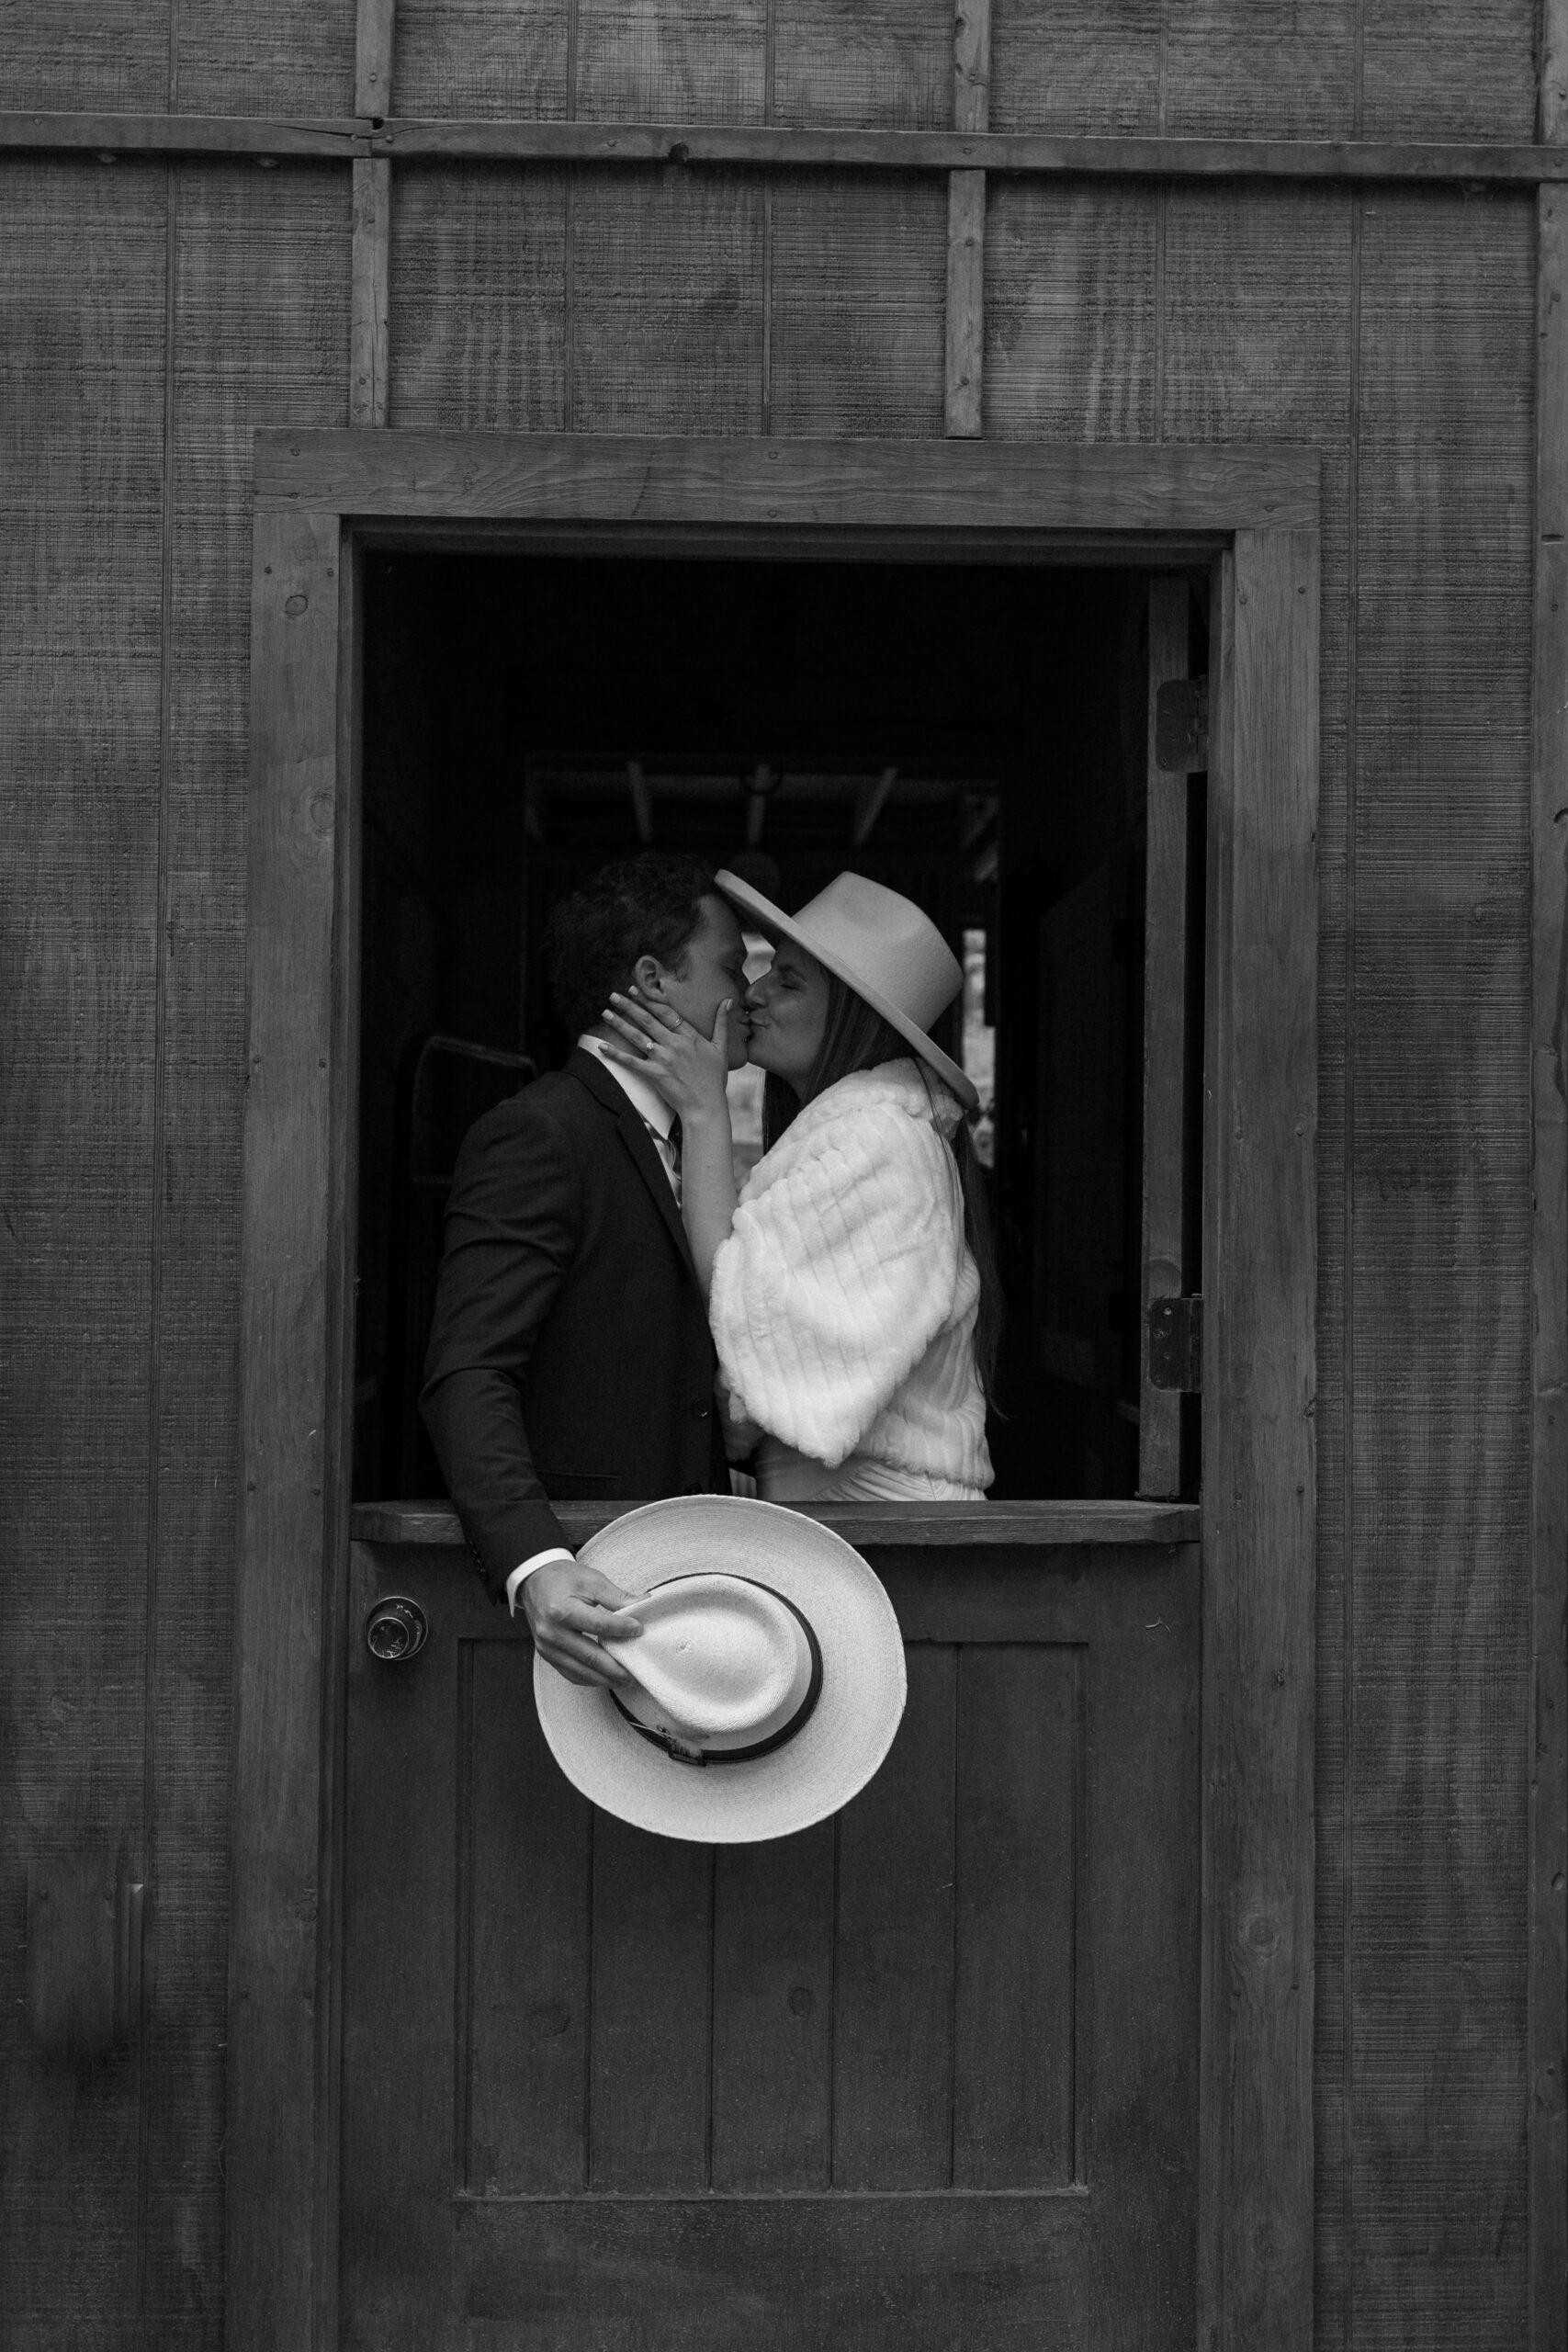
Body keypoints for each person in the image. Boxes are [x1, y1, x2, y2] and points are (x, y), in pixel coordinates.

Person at [420, 854, 750, 1685]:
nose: (744, 993)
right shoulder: (541, 1135)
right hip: (589, 1591)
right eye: (730, 968)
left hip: (685, 1581)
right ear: (651, 979)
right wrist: (536, 1561)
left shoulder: (681, 1139)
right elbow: (469, 1369)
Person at [599, 869, 997, 1503]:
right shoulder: (862, 1131)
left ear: (852, 1018)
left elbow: (742, 1303)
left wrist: (705, 1111)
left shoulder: (877, 1138)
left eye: (786, 982)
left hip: (893, 1522)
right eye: (763, 972)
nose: (752, 994)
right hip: (858, 1511)